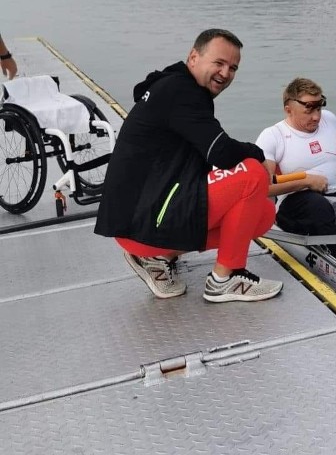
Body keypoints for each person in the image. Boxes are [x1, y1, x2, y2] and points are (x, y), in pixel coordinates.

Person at [95, 28, 283, 303]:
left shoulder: (173, 85)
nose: (226, 73)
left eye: (233, 68)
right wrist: (257, 153)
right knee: (253, 173)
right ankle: (224, 279)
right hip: (140, 224)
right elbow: (220, 152)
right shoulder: (181, 92)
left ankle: (159, 258)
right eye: (218, 63)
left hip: (138, 219)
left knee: (262, 213)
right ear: (193, 57)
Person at [256, 77, 336, 235]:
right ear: (288, 110)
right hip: (295, 200)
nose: (317, 117)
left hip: (335, 192)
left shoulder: (330, 120)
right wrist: (306, 182)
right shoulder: (273, 136)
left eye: (319, 109)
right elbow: (263, 188)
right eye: (309, 110)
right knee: (320, 209)